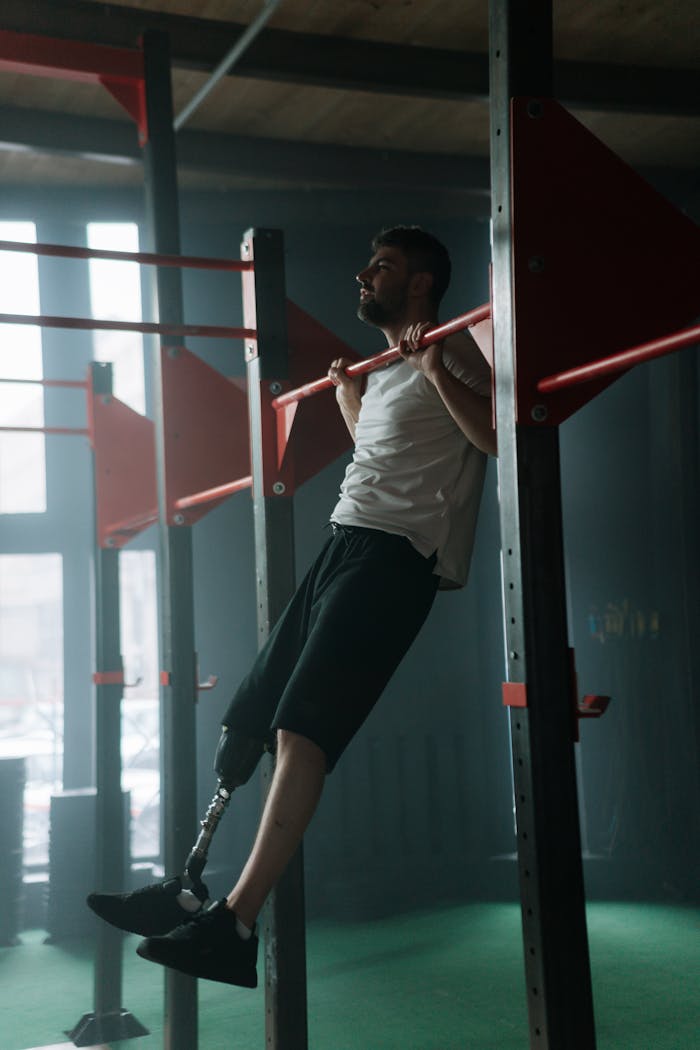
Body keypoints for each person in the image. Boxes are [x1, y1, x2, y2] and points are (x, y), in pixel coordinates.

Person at [88, 226, 495, 988]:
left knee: (301, 728)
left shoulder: (454, 348)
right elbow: (387, 458)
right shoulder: (388, 369)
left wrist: (438, 369)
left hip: (396, 560)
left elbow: (500, 435)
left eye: (382, 268)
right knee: (250, 718)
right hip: (344, 546)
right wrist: (351, 400)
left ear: (420, 285)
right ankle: (188, 881)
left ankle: (235, 923)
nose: (361, 275)